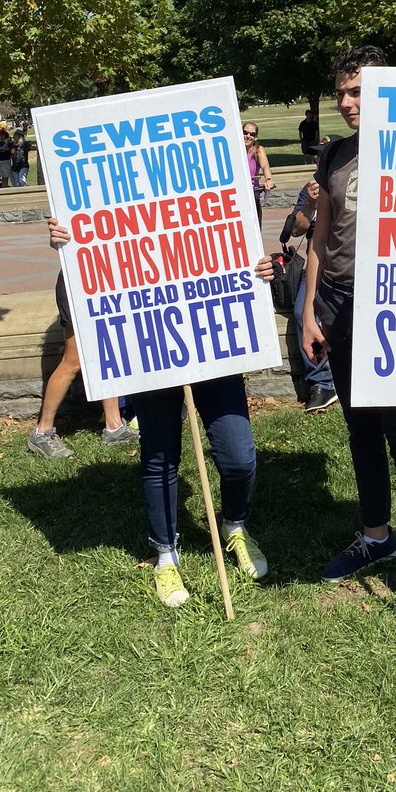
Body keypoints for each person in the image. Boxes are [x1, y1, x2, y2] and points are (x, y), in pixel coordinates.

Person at [47, 219, 276, 608]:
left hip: (214, 341)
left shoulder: (211, 177)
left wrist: (258, 269)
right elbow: (95, 252)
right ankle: (165, 553)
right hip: (148, 345)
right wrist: (69, 241)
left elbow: (233, 235)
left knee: (239, 456)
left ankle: (235, 525)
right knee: (160, 455)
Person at [301, 47, 396, 654]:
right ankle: (375, 535)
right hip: (335, 303)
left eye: (359, 90)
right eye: (341, 92)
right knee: (360, 429)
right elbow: (320, 232)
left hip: (393, 305)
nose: (347, 102)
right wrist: (309, 308)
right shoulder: (334, 153)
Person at [26, 269, 139, 459]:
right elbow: (59, 241)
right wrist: (55, 240)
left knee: (107, 352)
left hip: (106, 281)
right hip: (78, 282)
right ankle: (42, 432)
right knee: (73, 361)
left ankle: (114, 426)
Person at [288, 140, 338, 413]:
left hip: (346, 264)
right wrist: (309, 205)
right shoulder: (310, 189)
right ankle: (322, 382)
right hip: (316, 266)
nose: (321, 161)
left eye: (326, 156)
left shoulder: (349, 181)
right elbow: (297, 230)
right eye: (318, 157)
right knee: (301, 312)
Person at [243, 122, 274, 224]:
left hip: (252, 195)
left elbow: (265, 167)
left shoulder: (258, 150)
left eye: (252, 134)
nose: (248, 136)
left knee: (256, 229)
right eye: (245, 132)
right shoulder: (235, 148)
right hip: (237, 197)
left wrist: (268, 180)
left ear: (255, 137)